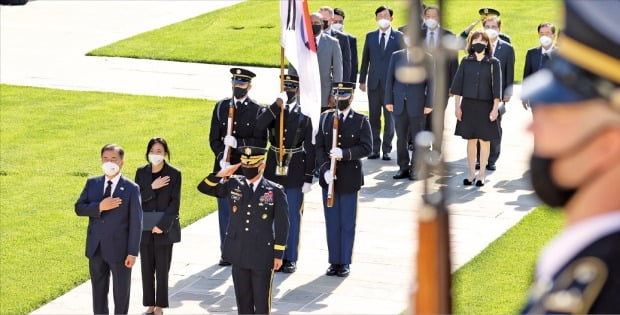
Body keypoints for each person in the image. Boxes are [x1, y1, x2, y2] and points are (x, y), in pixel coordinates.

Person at [519, 1, 620, 313]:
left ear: (608, 144)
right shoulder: (582, 261)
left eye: (558, 114)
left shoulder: (599, 289)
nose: (532, 126)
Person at [197, 146, 289, 314]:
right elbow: (203, 188)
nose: (247, 169)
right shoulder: (233, 184)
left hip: (262, 253)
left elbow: (283, 224)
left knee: (261, 304)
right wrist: (220, 174)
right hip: (238, 252)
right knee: (243, 302)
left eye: (251, 166)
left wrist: (278, 254)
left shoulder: (274, 190)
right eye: (244, 166)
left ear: (261, 166)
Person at [254, 75, 315, 273]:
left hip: (295, 168)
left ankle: (290, 258)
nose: (289, 89)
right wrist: (275, 106)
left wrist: (308, 176)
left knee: (292, 216)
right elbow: (259, 126)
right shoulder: (272, 110)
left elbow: (311, 148)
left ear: (298, 90)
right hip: (273, 169)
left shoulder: (304, 114)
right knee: (269, 214)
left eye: (292, 86)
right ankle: (272, 255)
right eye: (285, 85)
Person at [208, 67, 267, 266]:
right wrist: (221, 157)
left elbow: (260, 142)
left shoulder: (258, 111)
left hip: (244, 169)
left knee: (244, 212)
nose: (237, 87)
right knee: (225, 211)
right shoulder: (221, 107)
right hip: (225, 168)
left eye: (242, 84)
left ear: (249, 86)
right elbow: (214, 137)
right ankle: (226, 252)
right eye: (235, 82)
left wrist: (239, 144)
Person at [75, 144, 142, 315]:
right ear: (101, 160)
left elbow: (137, 223)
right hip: (96, 249)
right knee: (98, 293)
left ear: (122, 162)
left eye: (114, 159)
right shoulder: (93, 183)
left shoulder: (131, 188)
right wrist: (99, 206)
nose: (109, 162)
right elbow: (79, 208)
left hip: (120, 251)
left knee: (121, 294)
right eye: (106, 158)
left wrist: (132, 252)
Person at [315, 82, 372, 277]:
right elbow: (319, 148)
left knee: (347, 223)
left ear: (352, 97)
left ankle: (345, 262)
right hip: (329, 180)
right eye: (337, 95)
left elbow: (367, 148)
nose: (340, 99)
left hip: (349, 178)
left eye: (344, 96)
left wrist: (345, 153)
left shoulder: (361, 121)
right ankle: (334, 261)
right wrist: (324, 170)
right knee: (332, 222)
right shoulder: (325, 119)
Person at [134, 137, 181, 315]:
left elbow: (175, 203)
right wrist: (152, 187)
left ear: (166, 153)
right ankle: (150, 305)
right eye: (152, 151)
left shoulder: (174, 173)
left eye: (159, 151)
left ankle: (160, 305)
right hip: (145, 228)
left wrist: (162, 225)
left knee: (162, 269)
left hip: (164, 229)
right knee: (146, 269)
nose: (155, 154)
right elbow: (136, 198)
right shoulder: (141, 172)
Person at [450, 31, 501, 187]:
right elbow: (457, 85)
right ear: (471, 43)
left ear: (487, 43)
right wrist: (457, 107)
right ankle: (471, 174)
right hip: (468, 105)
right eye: (475, 40)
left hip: (486, 106)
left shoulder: (494, 62)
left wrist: (494, 109)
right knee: (471, 140)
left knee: (484, 140)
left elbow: (497, 88)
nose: (478, 43)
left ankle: (482, 175)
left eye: (482, 40)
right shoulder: (466, 61)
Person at [359, 5, 403, 161]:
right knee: (374, 117)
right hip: (373, 84)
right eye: (380, 16)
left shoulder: (399, 37)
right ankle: (374, 149)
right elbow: (365, 60)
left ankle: (387, 149)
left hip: (392, 85)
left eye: (386, 16)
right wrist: (362, 80)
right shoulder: (370, 36)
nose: (383, 18)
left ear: (391, 18)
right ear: (376, 19)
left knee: (389, 118)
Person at [384, 42, 432, 181]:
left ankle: (416, 169)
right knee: (401, 138)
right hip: (399, 104)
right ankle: (403, 167)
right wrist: (388, 100)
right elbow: (390, 79)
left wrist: (429, 103)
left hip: (418, 104)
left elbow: (432, 82)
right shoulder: (396, 56)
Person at [473, 15, 515, 171]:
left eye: (494, 27)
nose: (491, 30)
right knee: (478, 126)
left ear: (499, 29)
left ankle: (492, 159)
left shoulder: (507, 48)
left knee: (494, 126)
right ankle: (479, 158)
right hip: (479, 94)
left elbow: (509, 71)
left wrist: (507, 92)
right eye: (488, 27)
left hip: (497, 95)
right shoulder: (477, 46)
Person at [289, 12, 342, 112]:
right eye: (311, 22)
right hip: (303, 95)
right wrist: (293, 89)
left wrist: (334, 94)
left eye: (316, 22)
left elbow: (337, 71)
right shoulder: (300, 43)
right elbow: (292, 69)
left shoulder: (333, 43)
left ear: (322, 24)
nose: (313, 25)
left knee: (323, 126)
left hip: (324, 96)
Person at [419, 5, 459, 133]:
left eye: (434, 16)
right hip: (420, 84)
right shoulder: (418, 34)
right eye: (428, 16)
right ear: (424, 17)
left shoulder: (449, 35)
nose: (431, 19)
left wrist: (453, 86)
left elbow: (453, 63)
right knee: (420, 115)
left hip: (442, 85)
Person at [522, 22, 557, 110]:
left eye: (547, 33)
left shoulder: (560, 54)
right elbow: (527, 75)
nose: (544, 36)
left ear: (553, 35)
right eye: (541, 33)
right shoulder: (531, 53)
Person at [319, 6, 351, 85]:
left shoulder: (342, 38)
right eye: (319, 19)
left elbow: (346, 64)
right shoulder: (311, 36)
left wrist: (344, 86)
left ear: (332, 20)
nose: (321, 22)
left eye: (324, 19)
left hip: (333, 83)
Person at [333, 8, 358, 84]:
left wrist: (352, 86)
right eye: (335, 21)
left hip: (343, 80)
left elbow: (353, 64)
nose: (338, 24)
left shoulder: (350, 39)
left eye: (340, 22)